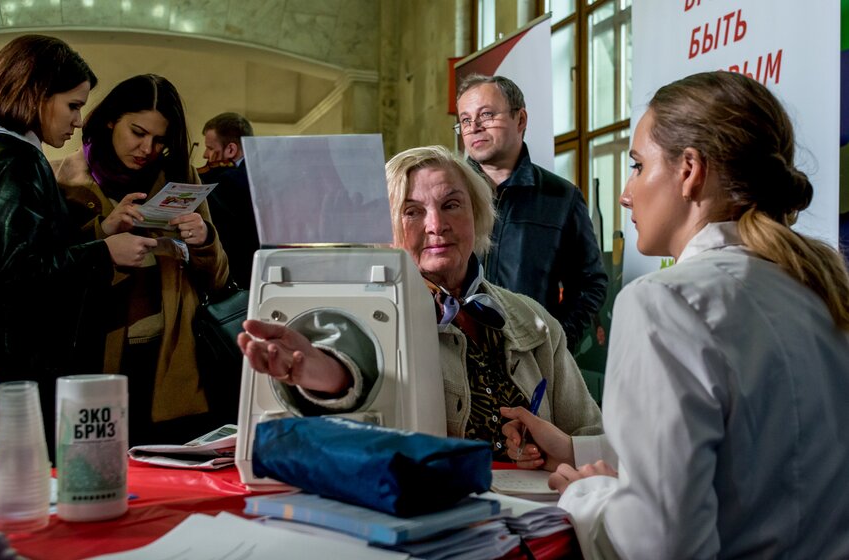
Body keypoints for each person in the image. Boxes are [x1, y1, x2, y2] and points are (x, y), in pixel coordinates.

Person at [501, 71, 849, 558]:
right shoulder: (825, 290)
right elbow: (751, 452)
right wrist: (577, 450)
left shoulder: (663, 303)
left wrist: (587, 493)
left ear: (690, 170)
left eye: (638, 165)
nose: (626, 193)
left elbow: (658, 545)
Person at [239, 145, 602, 461]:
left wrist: (554, 454)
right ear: (384, 229)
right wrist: (320, 374)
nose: (436, 224)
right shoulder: (373, 319)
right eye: (411, 211)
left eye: (451, 205)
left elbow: (589, 433)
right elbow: (352, 385)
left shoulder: (531, 317)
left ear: (476, 215)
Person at [0, 35, 156, 457]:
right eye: (73, 105)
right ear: (36, 94)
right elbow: (18, 271)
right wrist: (105, 253)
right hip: (21, 366)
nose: (79, 121)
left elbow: (29, 245)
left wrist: (99, 233)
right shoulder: (19, 161)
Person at [52, 74, 230, 446]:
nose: (147, 148)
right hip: (92, 361)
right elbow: (47, 270)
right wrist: (103, 233)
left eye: (159, 139)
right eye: (137, 132)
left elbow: (217, 279)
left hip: (173, 362)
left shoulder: (180, 177)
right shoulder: (62, 179)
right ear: (110, 119)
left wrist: (204, 241)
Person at [455, 74, 607, 351]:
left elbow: (589, 284)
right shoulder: (447, 194)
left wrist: (555, 343)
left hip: (531, 362)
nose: (474, 127)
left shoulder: (561, 197)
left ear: (520, 119)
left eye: (486, 115)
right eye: (465, 120)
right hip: (454, 353)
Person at [198, 112, 258, 288]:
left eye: (210, 148)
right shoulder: (262, 171)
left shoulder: (230, 180)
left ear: (231, 149)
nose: (205, 155)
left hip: (241, 275)